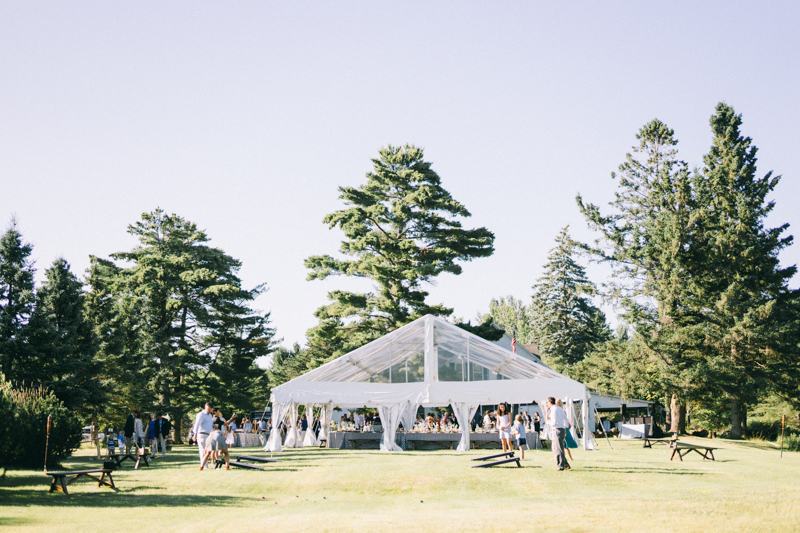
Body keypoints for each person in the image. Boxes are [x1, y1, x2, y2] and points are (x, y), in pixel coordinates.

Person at [547, 397, 570, 471]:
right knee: (560, 448)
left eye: (547, 402)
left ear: (550, 402)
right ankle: (565, 464)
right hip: (562, 429)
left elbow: (554, 421)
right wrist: (565, 428)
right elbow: (565, 419)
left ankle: (560, 466)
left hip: (557, 429)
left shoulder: (553, 410)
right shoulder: (560, 408)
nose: (547, 404)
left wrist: (549, 423)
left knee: (558, 449)